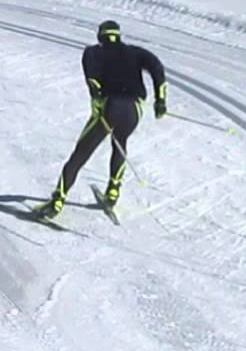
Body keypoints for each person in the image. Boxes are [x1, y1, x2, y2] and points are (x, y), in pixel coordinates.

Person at [35, 20, 167, 219]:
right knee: (120, 142)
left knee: (81, 154)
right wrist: (160, 100)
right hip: (134, 109)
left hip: (110, 107)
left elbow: (93, 80)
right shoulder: (137, 52)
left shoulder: (92, 52)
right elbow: (157, 68)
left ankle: (57, 200)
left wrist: (97, 97)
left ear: (100, 36)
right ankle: (113, 191)